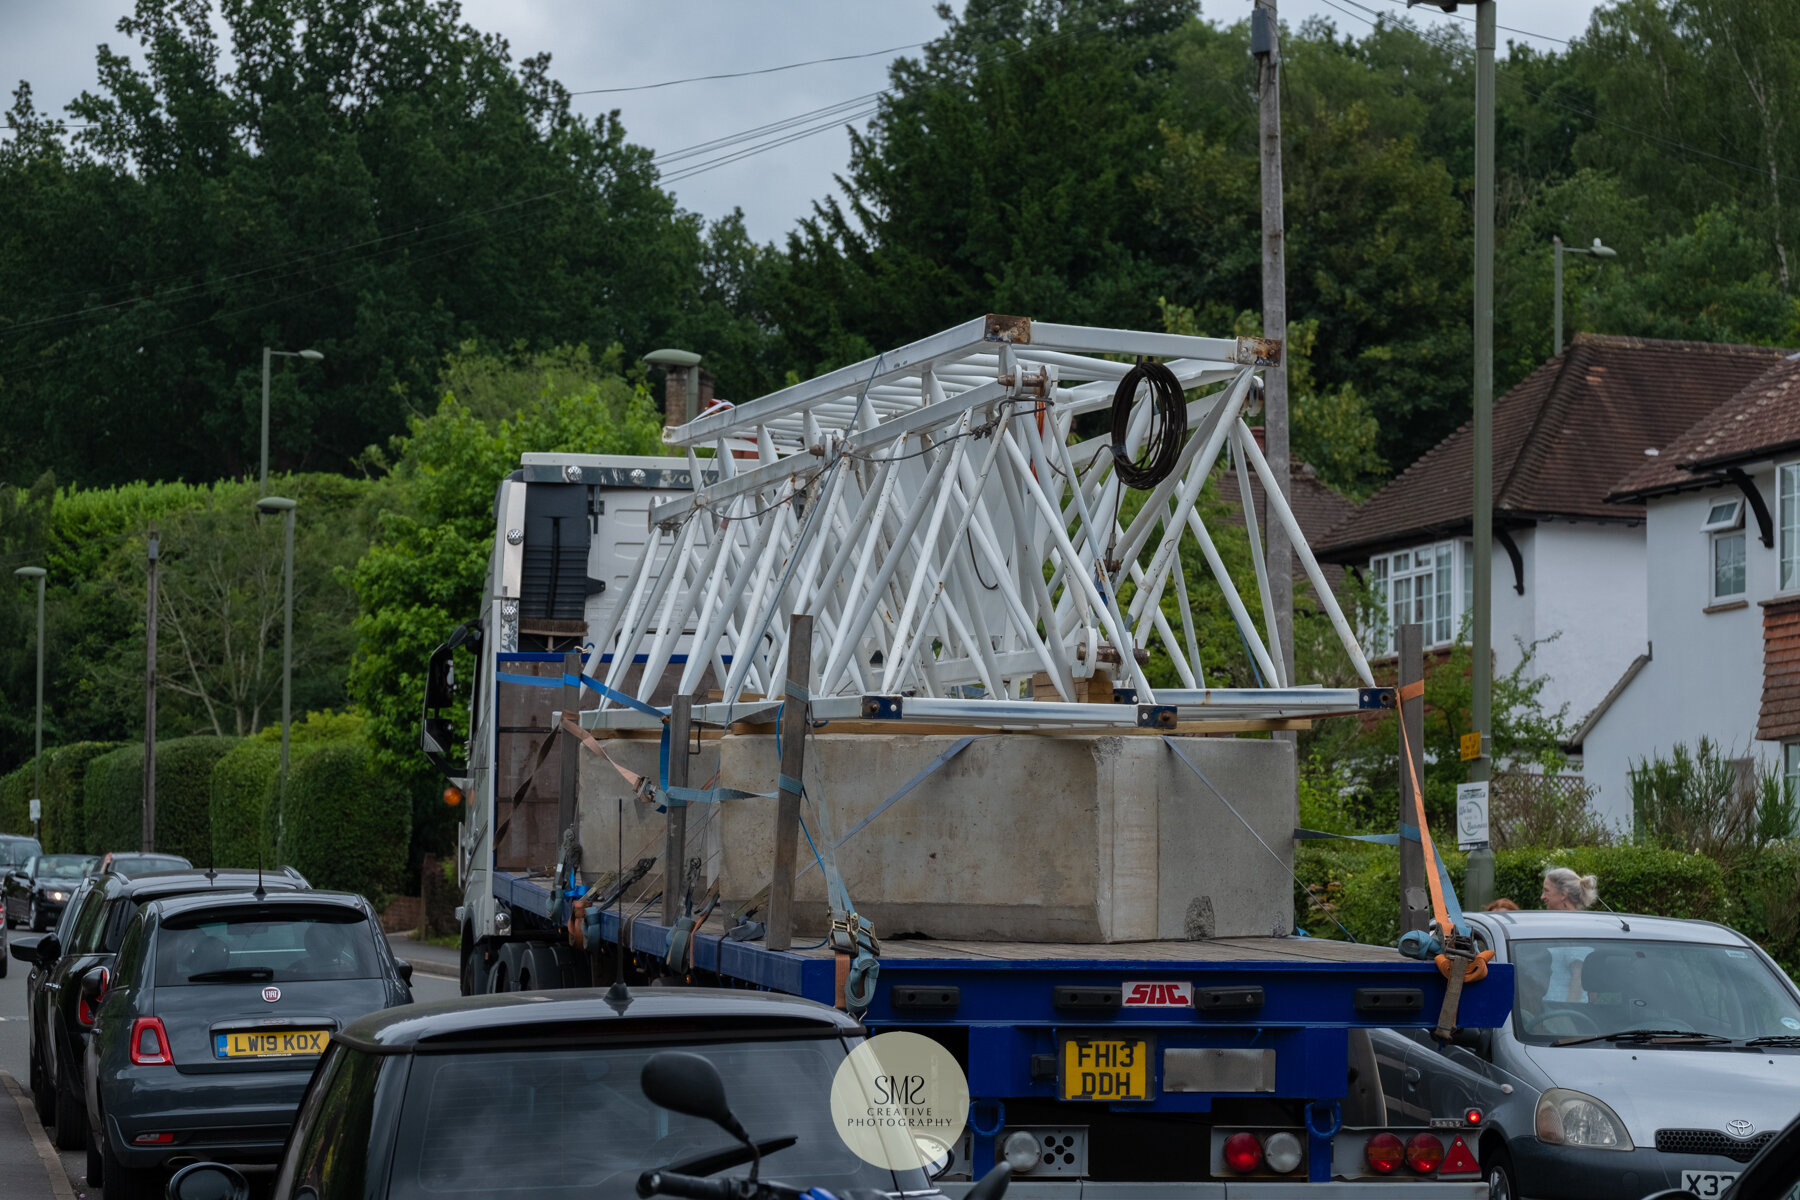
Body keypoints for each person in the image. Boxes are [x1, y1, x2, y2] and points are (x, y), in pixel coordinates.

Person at [1541, 867, 1599, 1001]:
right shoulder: (1560, 926)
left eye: (1546, 891)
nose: (1542, 896)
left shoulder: (1574, 929)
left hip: (1563, 1015)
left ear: (1563, 894)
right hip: (1549, 1014)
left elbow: (1577, 981)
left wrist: (1568, 1017)